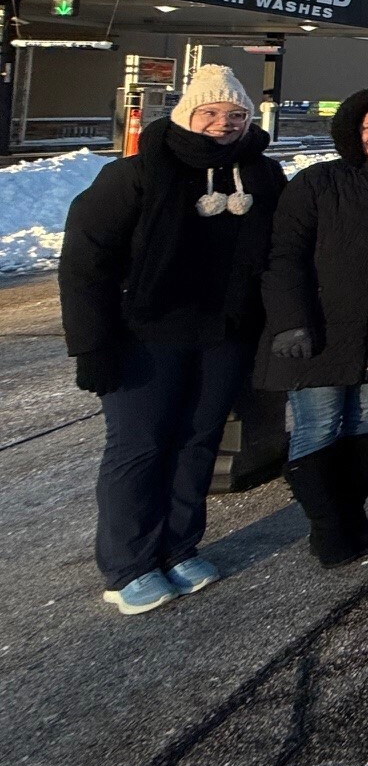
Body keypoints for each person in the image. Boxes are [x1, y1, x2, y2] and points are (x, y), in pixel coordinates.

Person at [58, 66, 287, 614]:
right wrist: (91, 345)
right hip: (146, 337)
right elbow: (86, 263)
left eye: (234, 116)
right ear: (188, 114)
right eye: (210, 113)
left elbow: (280, 254)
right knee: (139, 446)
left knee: (199, 440)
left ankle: (180, 546)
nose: (222, 125)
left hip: (223, 335)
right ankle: (129, 564)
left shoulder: (261, 175)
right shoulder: (136, 175)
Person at [258, 87, 368, 567]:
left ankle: (352, 512)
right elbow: (284, 256)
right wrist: (290, 321)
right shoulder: (318, 183)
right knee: (318, 425)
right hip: (321, 333)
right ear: (353, 131)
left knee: (366, 422)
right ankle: (327, 526)